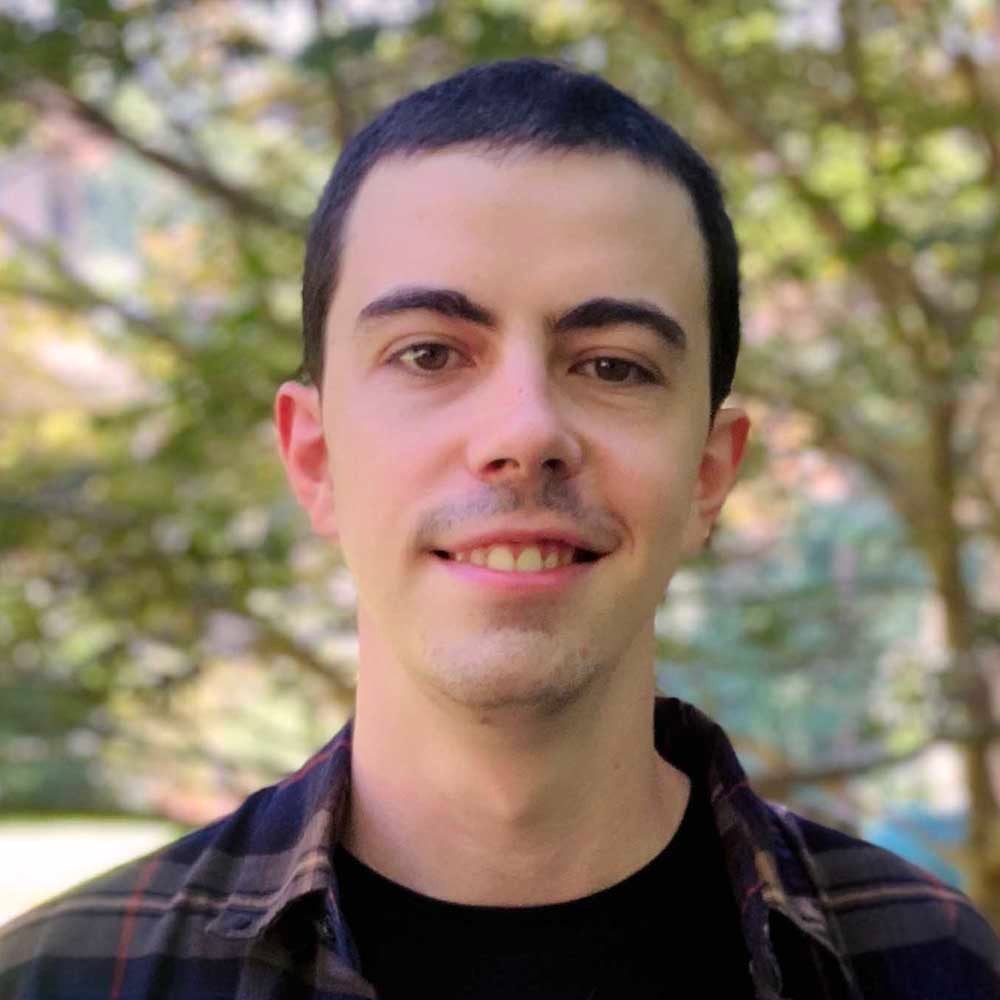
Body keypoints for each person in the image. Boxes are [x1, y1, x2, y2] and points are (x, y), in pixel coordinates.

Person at [1, 57, 997, 1000]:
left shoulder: (933, 966)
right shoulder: (65, 979)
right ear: (315, 457)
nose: (524, 434)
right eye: (429, 353)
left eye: (612, 365)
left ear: (708, 473)